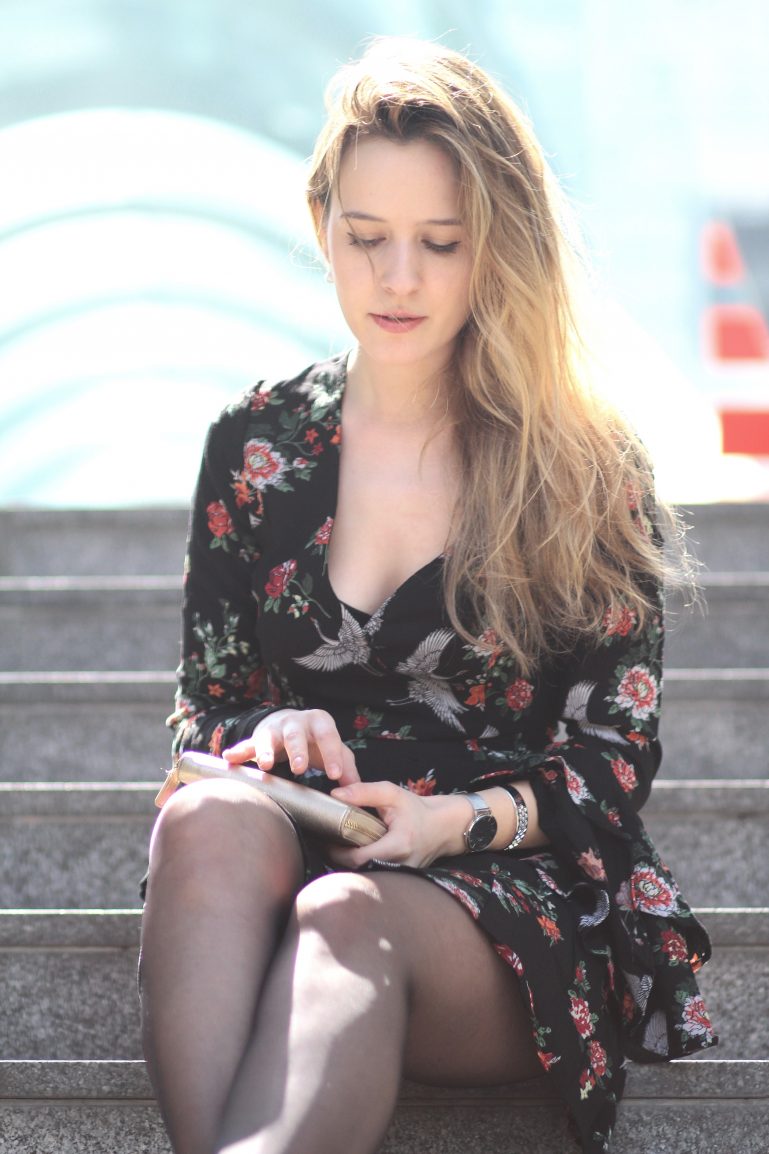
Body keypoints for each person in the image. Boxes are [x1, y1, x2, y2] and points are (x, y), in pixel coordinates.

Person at [139, 37, 716, 1154]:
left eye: (438, 244)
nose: (397, 277)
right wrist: (267, 731)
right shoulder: (256, 443)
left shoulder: (584, 468)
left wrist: (451, 820)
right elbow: (198, 713)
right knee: (206, 814)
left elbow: (614, 753)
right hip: (301, 835)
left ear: (494, 248)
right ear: (321, 229)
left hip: (493, 884)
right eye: (366, 239)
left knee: (343, 911)